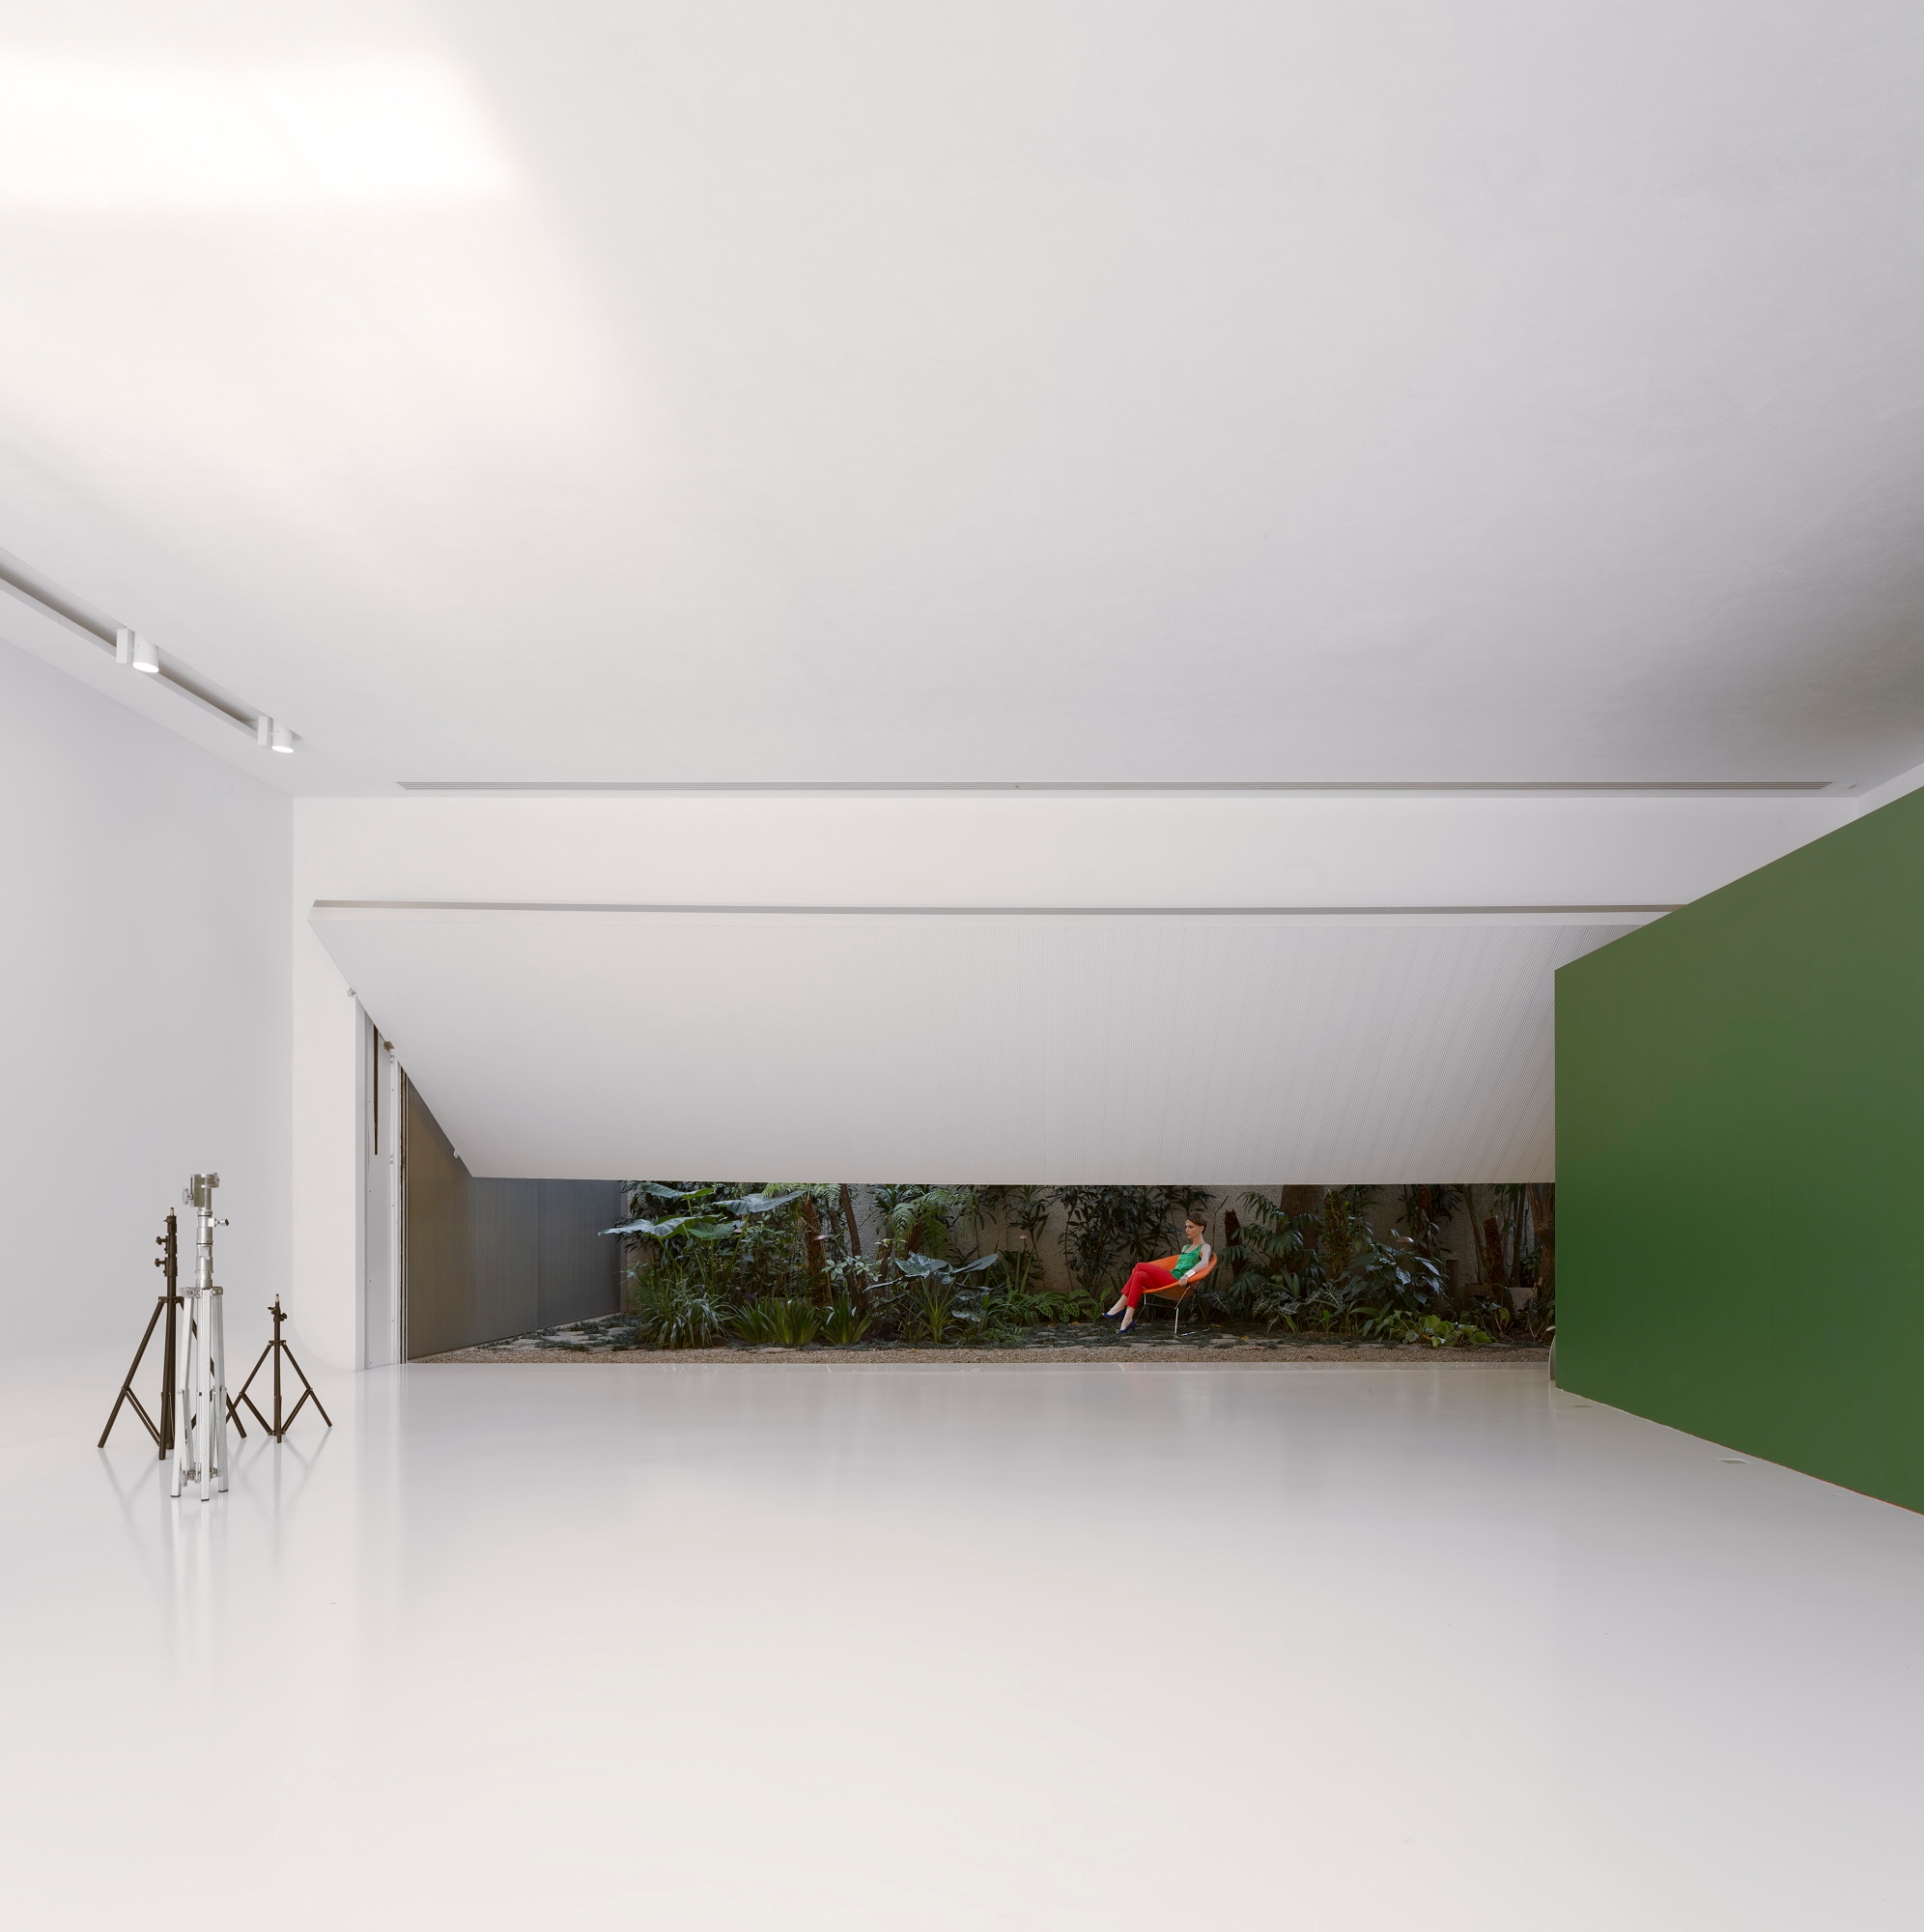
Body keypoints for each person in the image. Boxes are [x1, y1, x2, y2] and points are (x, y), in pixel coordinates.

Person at [1104, 1217, 1211, 1334]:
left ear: (1201, 1228)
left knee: (1139, 1265)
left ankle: (1119, 1307)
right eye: (1186, 1227)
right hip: (1169, 1278)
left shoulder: (1205, 1247)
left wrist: (1187, 1275)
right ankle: (1128, 1319)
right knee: (1139, 1275)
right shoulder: (1186, 1247)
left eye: (1191, 1227)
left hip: (1178, 1281)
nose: (1187, 1230)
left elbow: (1204, 1262)